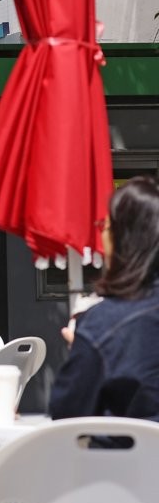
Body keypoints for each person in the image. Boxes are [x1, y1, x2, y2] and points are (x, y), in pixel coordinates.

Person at [50, 176, 159, 421]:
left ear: (125, 239)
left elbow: (65, 413)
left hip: (120, 456)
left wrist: (83, 347)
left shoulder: (102, 325)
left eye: (105, 227)